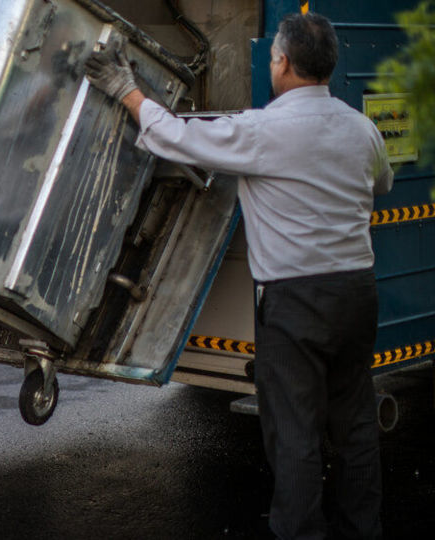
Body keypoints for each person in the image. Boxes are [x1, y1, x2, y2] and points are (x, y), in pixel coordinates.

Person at [85, 12, 392, 540]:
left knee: (294, 430)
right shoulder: (362, 129)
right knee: (356, 424)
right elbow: (381, 184)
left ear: (284, 65)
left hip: (296, 303)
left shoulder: (263, 130)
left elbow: (178, 139)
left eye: (274, 55)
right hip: (357, 294)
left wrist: (125, 89)